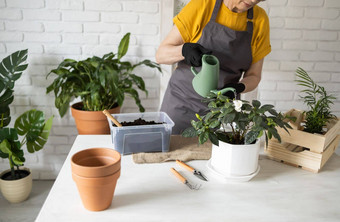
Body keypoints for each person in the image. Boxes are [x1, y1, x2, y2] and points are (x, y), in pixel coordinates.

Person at [156, 0, 271, 134]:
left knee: (214, 154)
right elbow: (161, 55)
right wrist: (184, 50)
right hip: (181, 104)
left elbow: (254, 76)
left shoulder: (260, 19)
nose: (254, 0)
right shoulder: (203, 5)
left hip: (220, 112)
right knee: (170, 151)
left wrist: (238, 88)